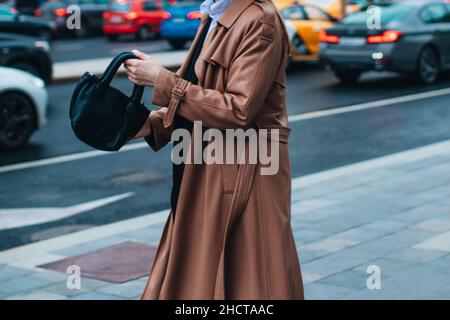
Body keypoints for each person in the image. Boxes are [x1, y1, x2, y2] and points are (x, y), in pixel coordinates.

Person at [124, 0, 304, 300]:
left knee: (250, 277)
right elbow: (197, 90)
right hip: (205, 167)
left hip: (248, 172)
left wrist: (161, 79)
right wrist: (148, 125)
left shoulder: (260, 20)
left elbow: (239, 109)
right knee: (199, 270)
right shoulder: (214, 15)